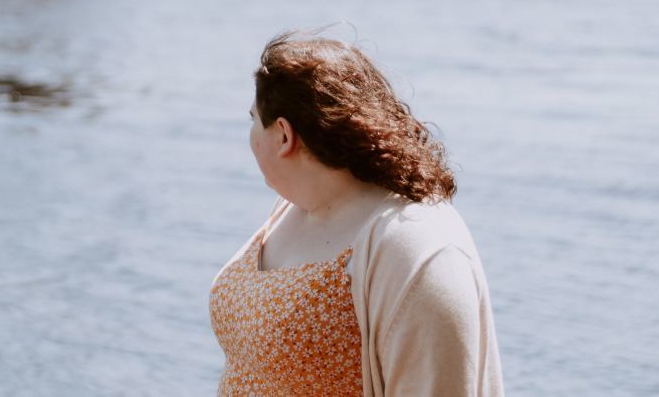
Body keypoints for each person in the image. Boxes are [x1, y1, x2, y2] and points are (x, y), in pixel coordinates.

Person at [209, 29, 504, 396]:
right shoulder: (288, 208)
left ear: (284, 135)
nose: (250, 135)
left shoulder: (416, 248)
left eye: (254, 119)